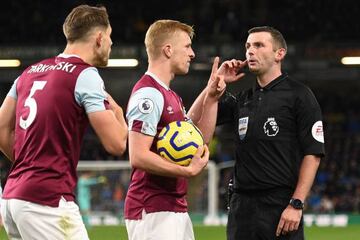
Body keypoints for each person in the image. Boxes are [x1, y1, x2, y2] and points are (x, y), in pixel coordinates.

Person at [0, 4, 127, 239]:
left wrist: (30, 165)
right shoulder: (85, 74)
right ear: (99, 38)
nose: (111, 43)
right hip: (46, 202)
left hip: (13, 199)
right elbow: (117, 144)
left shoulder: (28, 72)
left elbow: (1, 128)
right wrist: (119, 115)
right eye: (110, 37)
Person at [124, 19, 244, 240]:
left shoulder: (170, 95)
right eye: (187, 46)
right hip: (152, 208)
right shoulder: (148, 95)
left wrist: (211, 93)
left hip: (172, 206)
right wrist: (187, 172)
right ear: (168, 50)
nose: (192, 54)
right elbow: (138, 156)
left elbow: (198, 139)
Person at [212, 26, 325, 239]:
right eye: (247, 46)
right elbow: (194, 120)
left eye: (258, 45)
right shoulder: (242, 99)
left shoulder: (299, 95)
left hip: (281, 207)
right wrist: (214, 85)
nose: (250, 51)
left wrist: (297, 203)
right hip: (241, 208)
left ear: (279, 54)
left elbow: (314, 153)